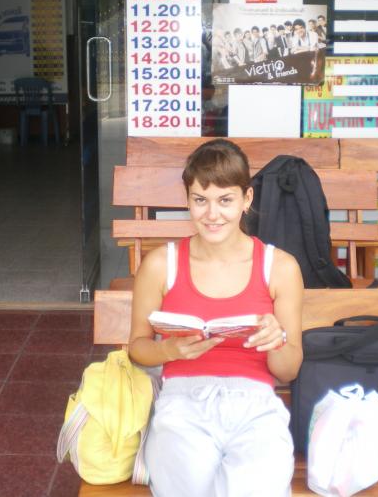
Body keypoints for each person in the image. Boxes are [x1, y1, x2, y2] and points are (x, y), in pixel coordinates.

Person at [129, 139, 304, 497]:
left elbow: (289, 371)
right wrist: (169, 350)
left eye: (225, 200)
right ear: (187, 200)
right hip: (182, 403)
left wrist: (277, 341)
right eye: (200, 200)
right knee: (188, 485)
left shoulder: (279, 267)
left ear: (246, 199)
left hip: (256, 405)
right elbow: (137, 348)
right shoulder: (161, 264)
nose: (212, 214)